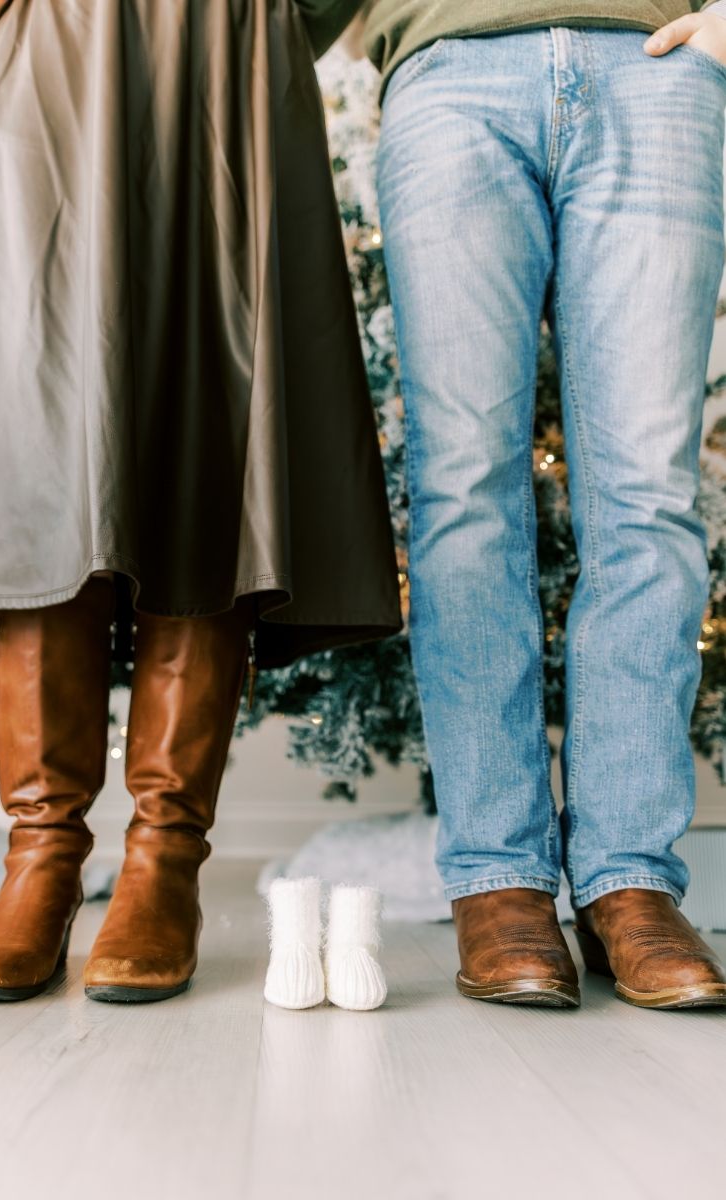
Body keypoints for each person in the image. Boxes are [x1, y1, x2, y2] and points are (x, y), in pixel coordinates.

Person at [0, 0, 402, 1005]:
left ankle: (161, 863)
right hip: (59, 74)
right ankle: (41, 857)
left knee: (216, 439)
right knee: (42, 463)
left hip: (228, 70)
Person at [333, 0, 726, 1007]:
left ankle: (628, 879)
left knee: (648, 493)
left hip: (655, 68)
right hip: (447, 77)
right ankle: (496, 878)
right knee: (462, 491)